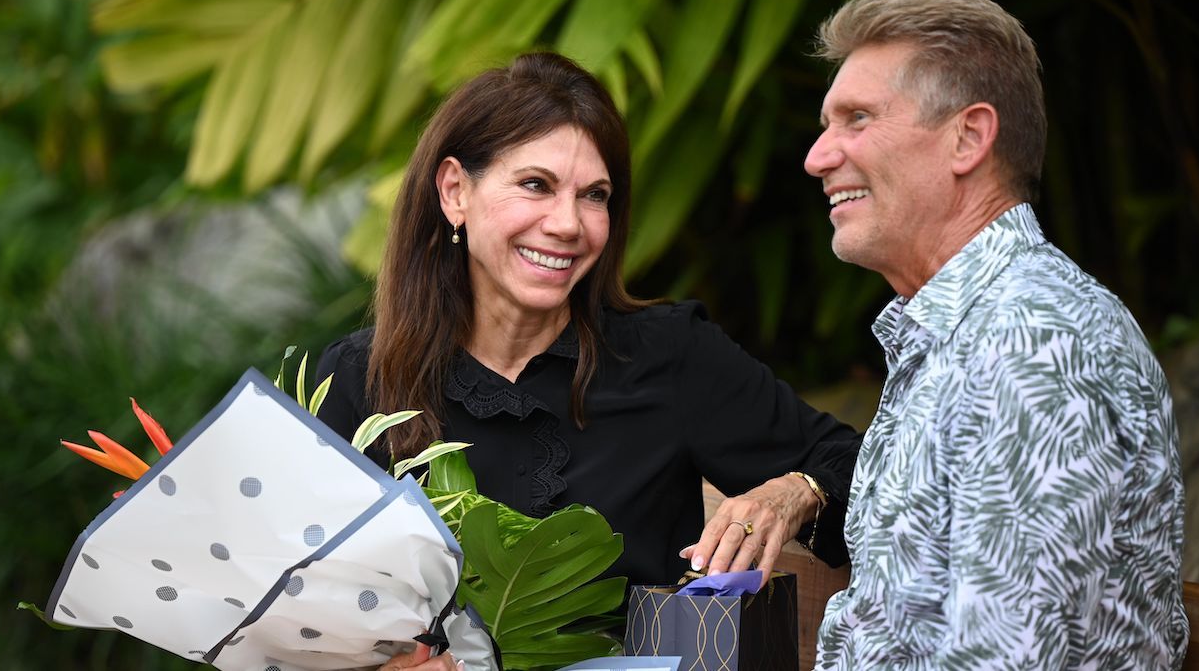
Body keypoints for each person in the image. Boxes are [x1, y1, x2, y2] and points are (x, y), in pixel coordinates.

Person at [315, 52, 860, 670]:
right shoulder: (359, 383)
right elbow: (292, 619)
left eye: (594, 195)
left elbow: (862, 465)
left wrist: (795, 490)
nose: (568, 224)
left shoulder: (667, 354)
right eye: (535, 185)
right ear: (454, 192)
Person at [803, 0, 1188, 669]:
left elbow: (1002, 658)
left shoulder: (1034, 343)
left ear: (969, 137)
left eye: (856, 119)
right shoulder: (962, 331)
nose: (818, 157)